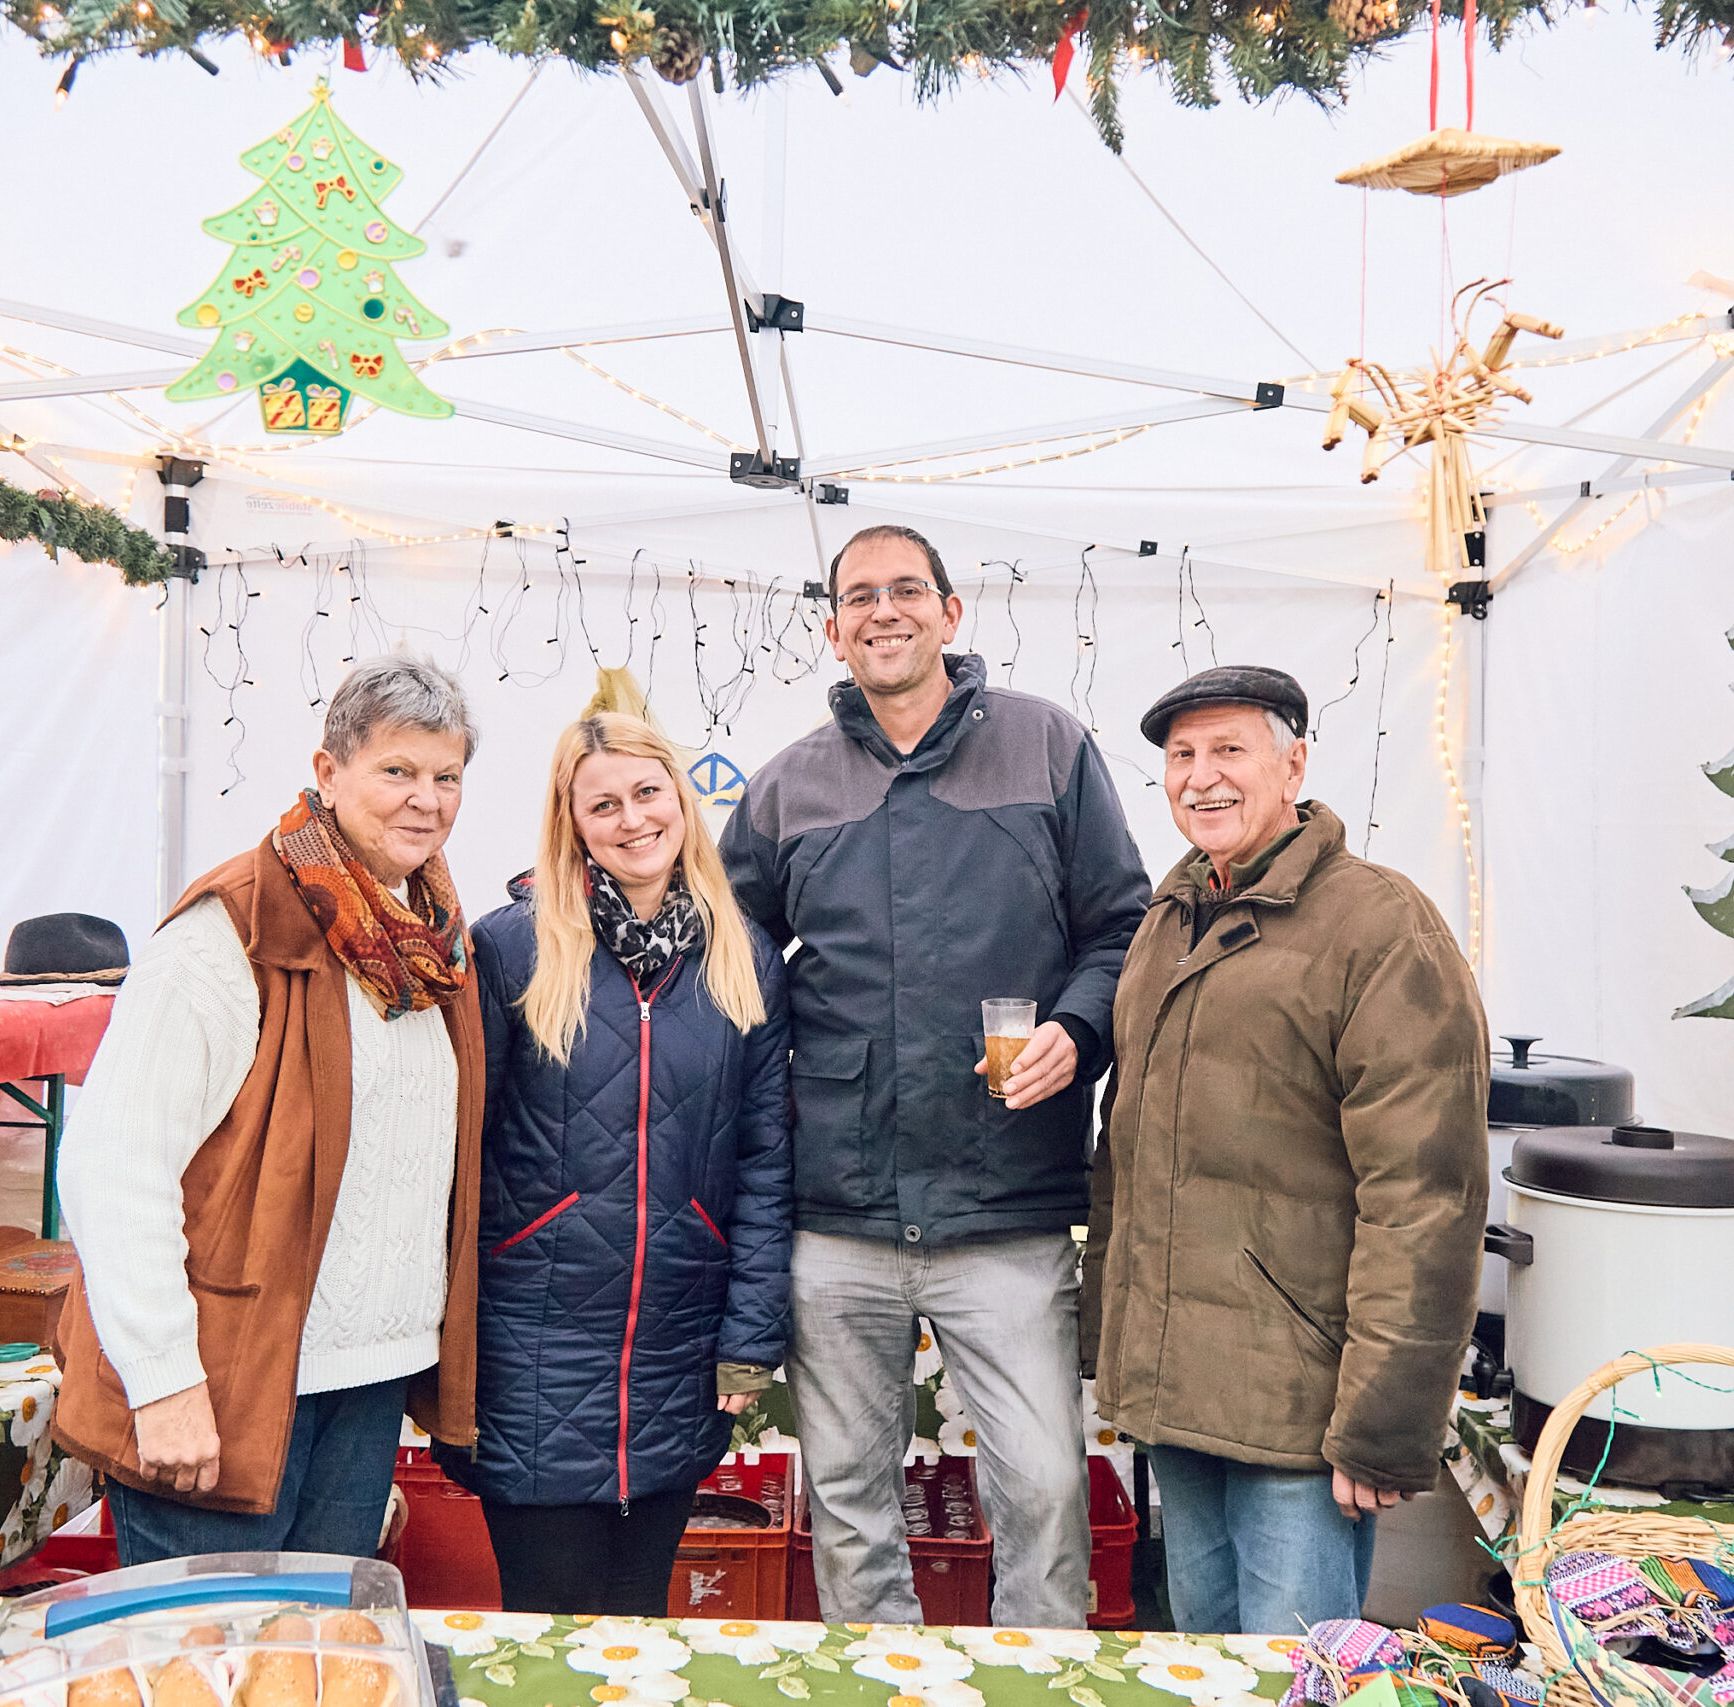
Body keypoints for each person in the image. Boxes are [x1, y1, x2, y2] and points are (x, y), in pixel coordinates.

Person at [719, 523, 1150, 1627]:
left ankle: (1040, 1685)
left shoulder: (1047, 747)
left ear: (952, 615)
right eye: (858, 596)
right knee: (851, 1499)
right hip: (839, 1217)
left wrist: (1076, 1030)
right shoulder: (784, 788)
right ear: (831, 629)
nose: (883, 611)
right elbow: (727, 965)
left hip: (1003, 1208)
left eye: (906, 589)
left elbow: (1121, 928)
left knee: (1044, 1491)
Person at [53, 655, 485, 1564]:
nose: (427, 799)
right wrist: (164, 1380)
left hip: (363, 1385)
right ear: (328, 774)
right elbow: (112, 1162)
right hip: (229, 1381)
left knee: (318, 1667)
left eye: (446, 776)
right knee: (207, 1665)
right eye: (397, 771)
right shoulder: (231, 934)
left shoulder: (434, 944)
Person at [1085, 665, 1489, 1636]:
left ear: (1293, 764)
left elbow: (1424, 1197)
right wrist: (1113, 1340)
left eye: (1229, 750)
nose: (1200, 777)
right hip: (1181, 1393)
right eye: (1182, 756)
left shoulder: (1379, 927)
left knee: (1293, 1666)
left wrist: (1384, 1424)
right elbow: (1128, 1150)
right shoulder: (1167, 920)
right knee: (1207, 1656)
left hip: (1300, 1407)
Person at [437, 712, 792, 1614]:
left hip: (678, 1345)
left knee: (639, 1625)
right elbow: (457, 1155)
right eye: (604, 804)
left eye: (646, 793)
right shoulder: (512, 945)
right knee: (549, 1628)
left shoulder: (744, 956)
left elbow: (764, 1160)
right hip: (532, 1346)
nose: (633, 819)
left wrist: (748, 1340)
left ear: (681, 798)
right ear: (572, 820)